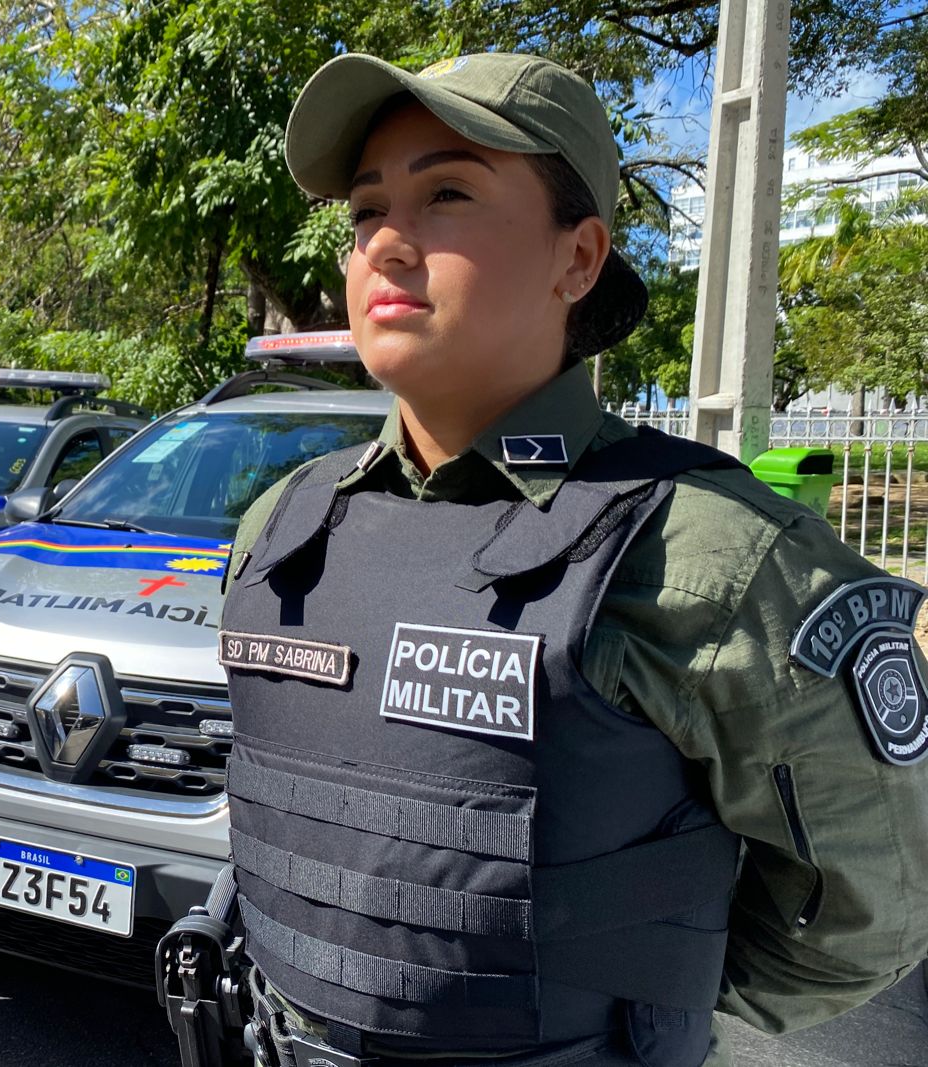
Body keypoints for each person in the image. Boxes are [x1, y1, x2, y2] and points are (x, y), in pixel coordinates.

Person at [177, 52, 928, 1067]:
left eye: (447, 194)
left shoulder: (707, 552)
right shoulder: (281, 522)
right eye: (363, 214)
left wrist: (646, 988)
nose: (386, 245)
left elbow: (871, 905)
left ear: (577, 258)